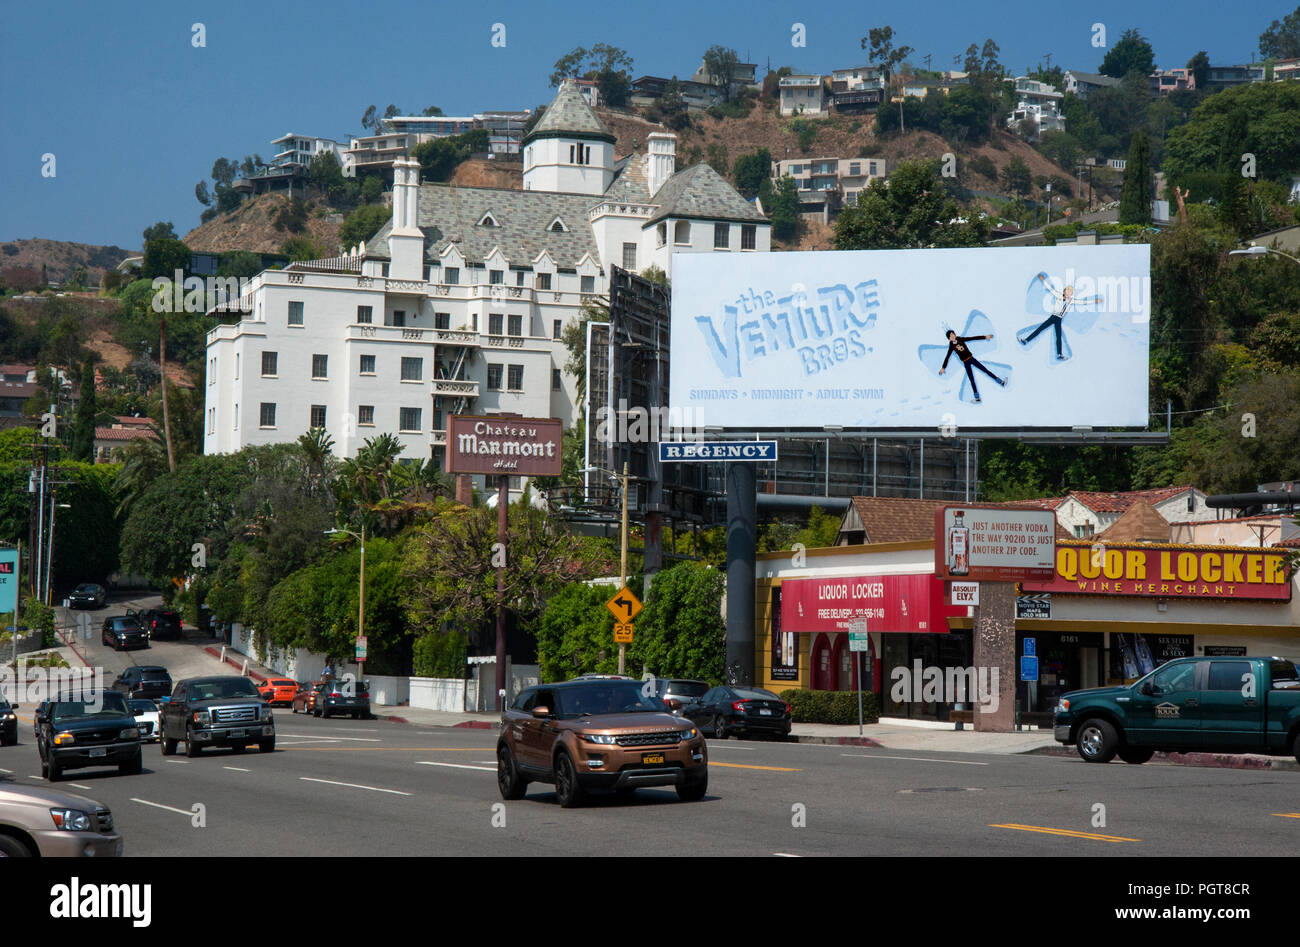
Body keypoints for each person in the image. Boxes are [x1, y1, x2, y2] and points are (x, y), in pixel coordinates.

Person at [938, 330, 1006, 403]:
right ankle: (977, 398)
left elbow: (972, 338)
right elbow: (947, 357)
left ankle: (1001, 382)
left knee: (985, 370)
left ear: (955, 334)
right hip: (965, 363)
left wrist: (985, 337)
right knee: (971, 379)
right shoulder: (951, 346)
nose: (952, 336)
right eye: (950, 336)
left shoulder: (960, 339)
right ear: (949, 338)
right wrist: (943, 367)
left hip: (971, 359)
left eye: (953, 334)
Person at [1020, 281, 1073, 359]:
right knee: (1040, 328)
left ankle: (1059, 354)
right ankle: (1026, 340)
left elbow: (1083, 302)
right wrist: (1043, 281)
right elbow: (1051, 289)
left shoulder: (1070, 301)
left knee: (1058, 336)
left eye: (1070, 292)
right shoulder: (1058, 295)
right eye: (1067, 290)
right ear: (1064, 291)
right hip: (1053, 316)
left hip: (1059, 319)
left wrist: (1092, 301)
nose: (1068, 293)